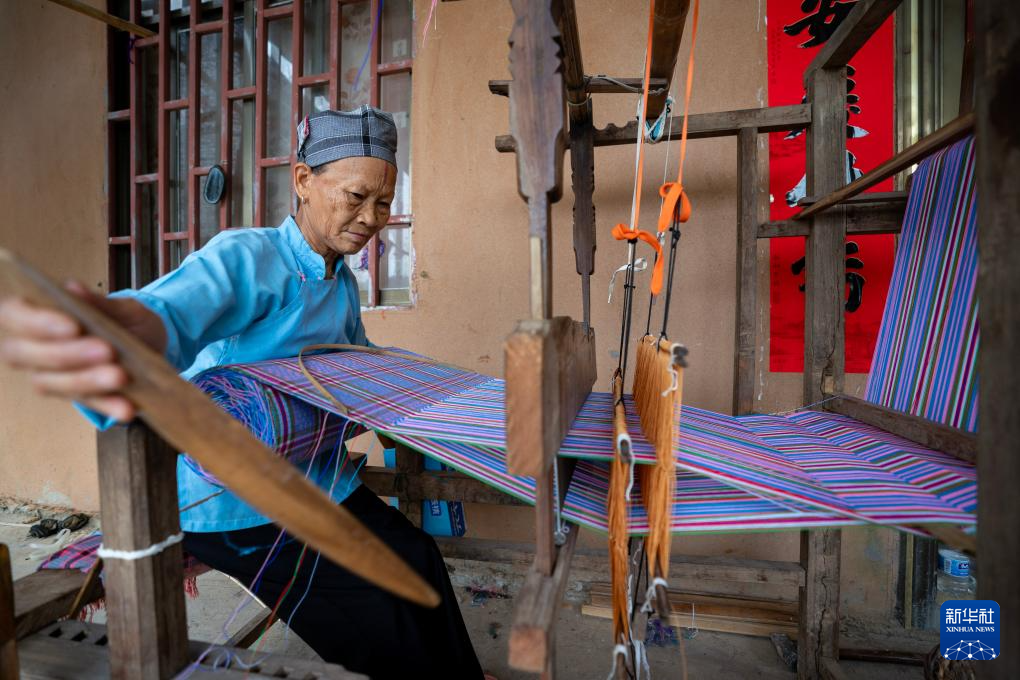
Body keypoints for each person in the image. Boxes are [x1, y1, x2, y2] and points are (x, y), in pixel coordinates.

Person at [0, 106, 486, 679]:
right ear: (303, 181)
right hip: (235, 500)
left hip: (316, 478)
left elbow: (356, 361)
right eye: (356, 196)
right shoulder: (249, 257)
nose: (371, 218)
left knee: (417, 558)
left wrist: (425, 394)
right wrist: (124, 333)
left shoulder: (340, 282)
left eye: (383, 203)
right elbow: (171, 312)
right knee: (376, 614)